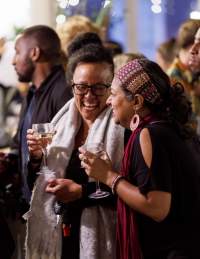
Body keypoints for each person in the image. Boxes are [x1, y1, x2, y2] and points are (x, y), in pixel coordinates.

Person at [80, 58, 200, 259]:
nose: (109, 101)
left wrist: (109, 176)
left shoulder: (150, 134)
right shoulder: (172, 129)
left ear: (136, 101)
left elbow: (157, 207)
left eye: (113, 94)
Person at [26, 33, 125, 259]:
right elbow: (38, 185)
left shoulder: (123, 129)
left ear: (111, 88)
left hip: (104, 237)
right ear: (72, 86)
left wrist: (82, 193)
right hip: (62, 234)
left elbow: (130, 191)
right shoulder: (60, 124)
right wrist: (35, 157)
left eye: (99, 87)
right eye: (81, 87)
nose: (89, 96)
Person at [0, 25, 72, 258]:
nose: (13, 62)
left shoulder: (62, 92)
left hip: (54, 210)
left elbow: (67, 153)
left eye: (18, 52)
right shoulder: (33, 92)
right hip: (30, 205)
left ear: (34, 53)